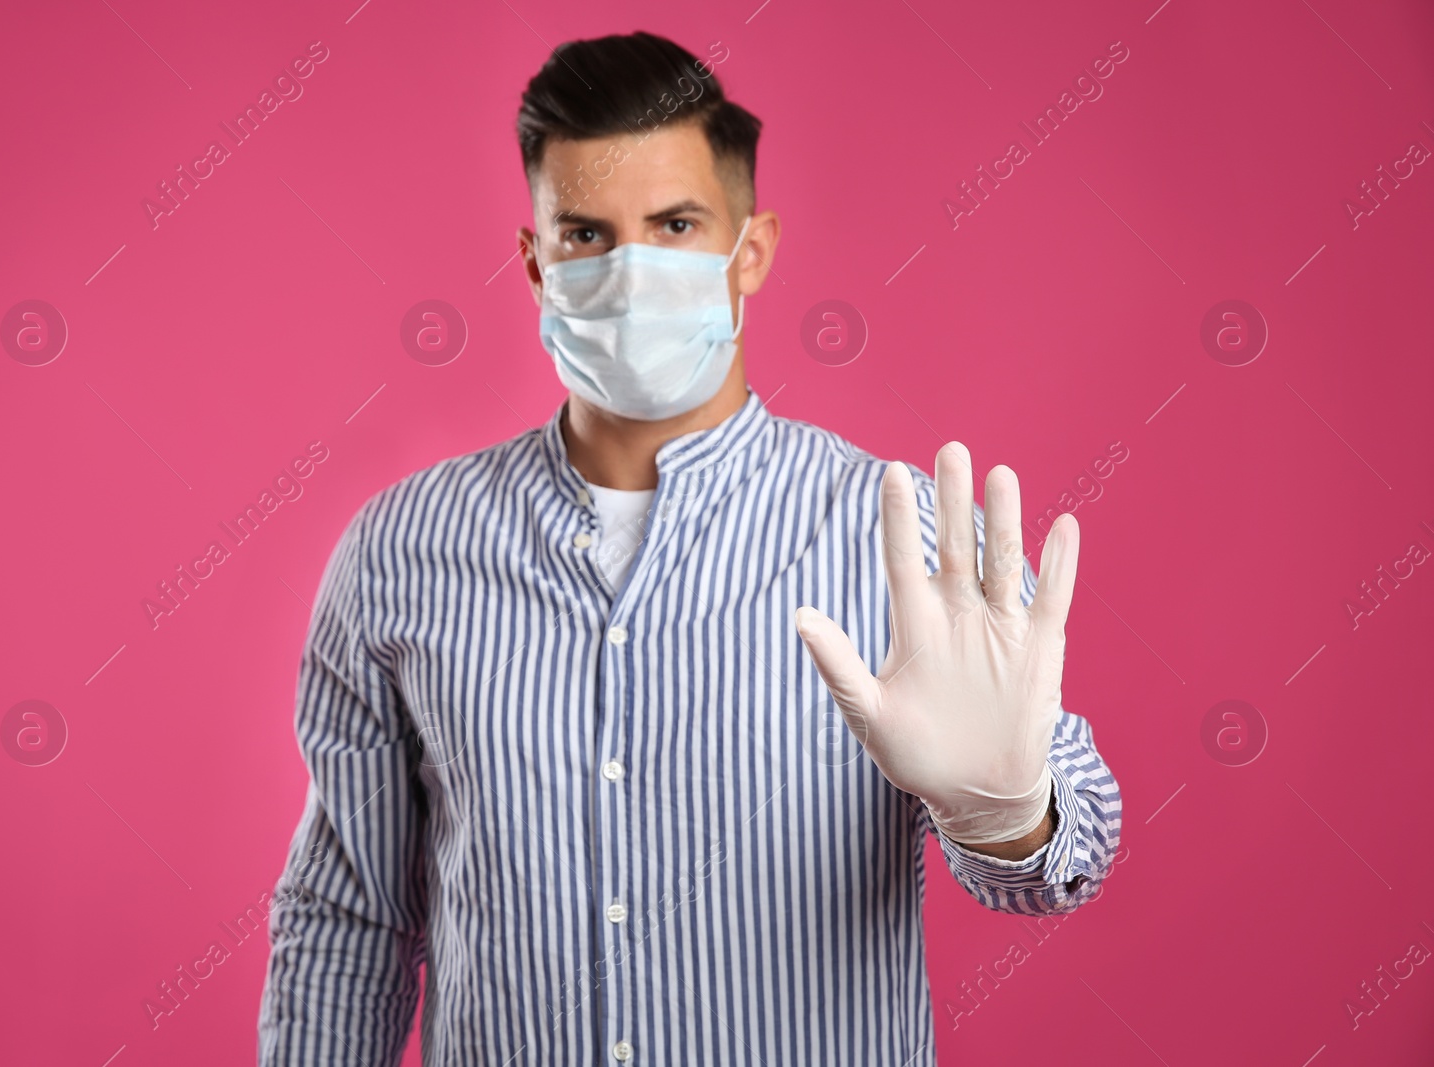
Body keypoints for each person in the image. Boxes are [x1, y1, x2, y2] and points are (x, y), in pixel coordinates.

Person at [258, 30, 1121, 1067]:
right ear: (535, 264)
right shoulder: (400, 550)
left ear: (746, 249)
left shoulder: (902, 537)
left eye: (673, 225)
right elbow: (350, 916)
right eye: (586, 233)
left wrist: (1006, 810)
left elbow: (1055, 865)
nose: (629, 272)